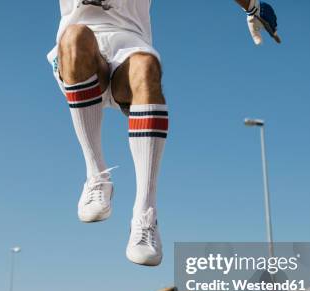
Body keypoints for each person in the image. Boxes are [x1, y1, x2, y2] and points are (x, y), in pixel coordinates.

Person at [47, 0, 279, 266]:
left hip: (129, 44)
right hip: (78, 53)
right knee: (75, 36)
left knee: (146, 66)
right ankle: (96, 177)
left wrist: (252, 6)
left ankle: (145, 216)